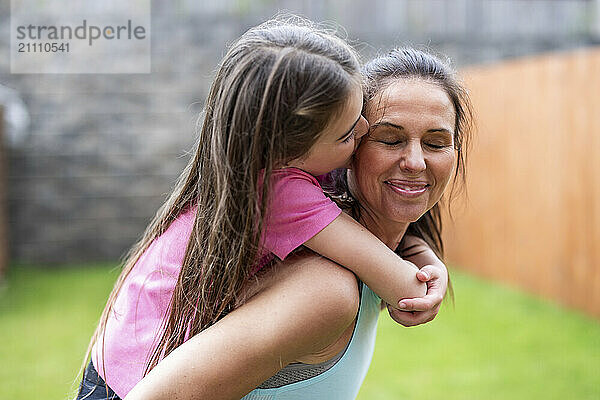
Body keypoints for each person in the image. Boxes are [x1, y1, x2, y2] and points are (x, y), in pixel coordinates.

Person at [75, 18, 451, 400]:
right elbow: (403, 287)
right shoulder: (284, 194)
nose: (361, 133)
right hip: (125, 386)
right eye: (351, 133)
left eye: (438, 143)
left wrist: (424, 255)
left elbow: (376, 243)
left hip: (117, 359)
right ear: (291, 147)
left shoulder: (276, 176)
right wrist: (425, 280)